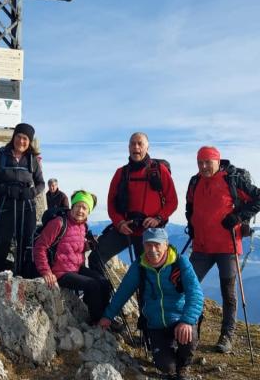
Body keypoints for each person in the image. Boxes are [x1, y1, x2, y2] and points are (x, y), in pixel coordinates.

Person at [99, 228, 204, 380]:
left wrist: (187, 321)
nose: (152, 249)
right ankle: (170, 363)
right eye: (148, 245)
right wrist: (107, 316)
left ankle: (183, 366)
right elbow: (122, 293)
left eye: (157, 245)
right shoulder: (139, 266)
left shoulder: (180, 263)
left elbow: (196, 294)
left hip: (179, 319)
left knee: (188, 336)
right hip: (155, 324)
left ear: (166, 245)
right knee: (165, 367)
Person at [186, 146, 260, 354]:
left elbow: (258, 198)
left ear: (217, 161)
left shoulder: (232, 180)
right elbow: (189, 206)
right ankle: (191, 331)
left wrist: (237, 217)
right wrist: (191, 226)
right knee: (187, 287)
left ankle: (226, 336)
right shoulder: (195, 182)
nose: (203, 166)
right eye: (200, 162)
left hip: (227, 246)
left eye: (207, 162)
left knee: (228, 293)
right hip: (201, 245)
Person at [89, 132, 178, 270]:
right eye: (132, 144)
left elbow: (172, 201)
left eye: (140, 143)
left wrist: (158, 218)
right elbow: (111, 203)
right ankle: (104, 291)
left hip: (150, 230)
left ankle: (144, 292)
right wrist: (119, 223)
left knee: (147, 273)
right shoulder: (121, 173)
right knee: (96, 257)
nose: (136, 147)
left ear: (147, 147)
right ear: (128, 147)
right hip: (125, 228)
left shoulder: (160, 171)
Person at [34, 190, 110, 324]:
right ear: (72, 206)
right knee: (93, 285)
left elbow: (73, 246)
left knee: (104, 282)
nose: (80, 210)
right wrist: (46, 271)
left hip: (75, 268)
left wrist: (87, 246)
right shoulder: (59, 223)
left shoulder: (83, 226)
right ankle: (96, 321)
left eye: (84, 208)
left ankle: (104, 316)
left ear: (89, 212)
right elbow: (40, 247)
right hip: (60, 272)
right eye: (78, 206)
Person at [0, 123, 45, 279]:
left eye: (25, 139)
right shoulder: (0, 156)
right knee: (2, 242)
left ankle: (24, 277)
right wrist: (6, 190)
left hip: (27, 206)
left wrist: (32, 192)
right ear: (14, 137)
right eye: (19, 137)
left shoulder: (32, 160)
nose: (21, 141)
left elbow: (41, 183)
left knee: (26, 242)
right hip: (6, 204)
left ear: (29, 142)